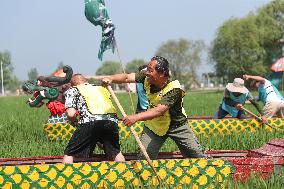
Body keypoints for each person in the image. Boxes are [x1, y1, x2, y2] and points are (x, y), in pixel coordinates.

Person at [102, 56, 205, 159]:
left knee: (196, 155)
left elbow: (159, 110)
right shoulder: (146, 77)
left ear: (161, 73)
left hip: (177, 125)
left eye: (151, 70)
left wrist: (135, 117)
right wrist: (111, 78)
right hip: (154, 125)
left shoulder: (174, 88)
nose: (147, 73)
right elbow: (127, 77)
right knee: (145, 156)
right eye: (148, 69)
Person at [63, 74, 125, 163]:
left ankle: (66, 174)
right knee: (115, 152)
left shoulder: (73, 90)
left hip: (90, 122)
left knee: (70, 153)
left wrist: (74, 121)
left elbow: (71, 114)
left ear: (73, 84)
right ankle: (123, 173)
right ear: (85, 81)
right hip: (111, 122)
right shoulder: (101, 88)